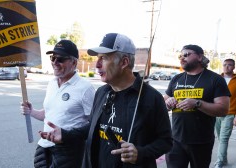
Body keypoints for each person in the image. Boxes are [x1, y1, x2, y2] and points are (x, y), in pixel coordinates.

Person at [39, 33, 173, 168]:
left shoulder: (151, 98)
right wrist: (65, 135)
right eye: (98, 58)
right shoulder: (102, 92)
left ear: (124, 62)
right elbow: (92, 127)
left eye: (104, 58)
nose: (97, 64)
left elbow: (166, 141)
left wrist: (141, 153)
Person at [20, 40, 95, 168]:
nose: (55, 62)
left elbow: (93, 124)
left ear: (74, 62)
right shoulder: (52, 83)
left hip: (69, 150)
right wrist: (31, 112)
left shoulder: (85, 88)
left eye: (60, 59)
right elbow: (49, 114)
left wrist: (68, 135)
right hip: (44, 146)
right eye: (53, 58)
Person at [164, 44, 231, 168]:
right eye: (180, 56)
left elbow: (223, 109)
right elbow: (164, 103)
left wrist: (197, 103)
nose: (182, 58)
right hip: (176, 140)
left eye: (186, 54)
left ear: (200, 57)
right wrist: (168, 103)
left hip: (201, 142)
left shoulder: (215, 79)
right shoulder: (176, 79)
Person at [214, 58, 236, 168]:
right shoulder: (216, 79)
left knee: (223, 139)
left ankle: (219, 162)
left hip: (229, 114)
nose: (227, 66)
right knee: (220, 138)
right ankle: (223, 159)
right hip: (216, 113)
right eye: (225, 64)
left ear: (234, 67)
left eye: (230, 65)